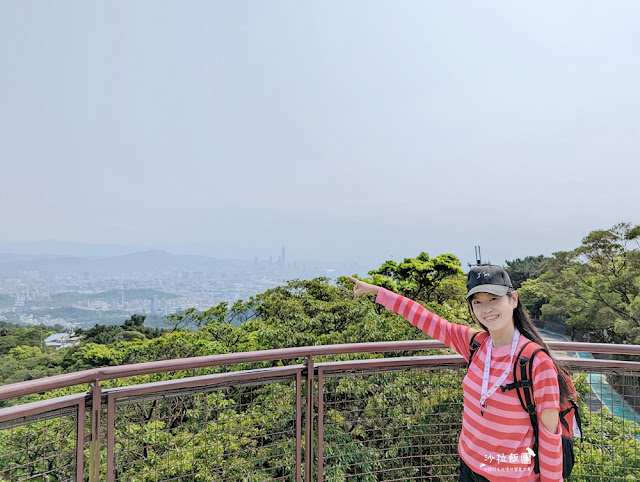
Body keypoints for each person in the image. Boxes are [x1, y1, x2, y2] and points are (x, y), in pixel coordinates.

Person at [350, 264, 571, 481]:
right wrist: (378, 292)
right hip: (469, 466)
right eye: (478, 302)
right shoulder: (476, 344)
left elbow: (550, 436)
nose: (486, 309)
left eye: (494, 299)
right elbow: (427, 320)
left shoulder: (536, 362)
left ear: (513, 299)